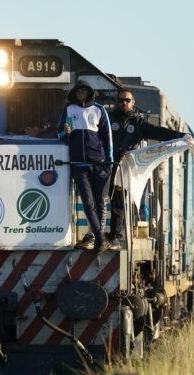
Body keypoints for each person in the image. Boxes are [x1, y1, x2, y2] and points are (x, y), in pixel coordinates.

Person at [107, 88, 192, 250]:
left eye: (127, 100)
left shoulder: (139, 123)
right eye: (121, 100)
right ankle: (95, 235)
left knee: (119, 203)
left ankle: (114, 236)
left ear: (133, 102)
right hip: (108, 165)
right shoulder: (109, 119)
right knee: (99, 201)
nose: (124, 103)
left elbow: (159, 132)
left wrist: (181, 136)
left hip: (125, 169)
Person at [58, 81, 114, 252]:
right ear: (75, 93)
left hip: (99, 163)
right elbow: (60, 135)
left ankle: (99, 238)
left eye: (84, 90)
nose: (81, 93)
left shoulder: (99, 109)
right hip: (79, 164)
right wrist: (66, 132)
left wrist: (109, 160)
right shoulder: (68, 109)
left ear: (89, 92)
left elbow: (107, 136)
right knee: (88, 203)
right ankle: (101, 238)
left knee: (100, 202)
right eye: (78, 91)